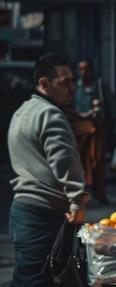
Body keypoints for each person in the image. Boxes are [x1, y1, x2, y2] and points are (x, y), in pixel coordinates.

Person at [7, 53, 90, 286]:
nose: (72, 88)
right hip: (43, 214)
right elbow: (65, 163)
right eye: (65, 83)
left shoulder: (23, 112)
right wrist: (78, 202)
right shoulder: (50, 115)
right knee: (36, 280)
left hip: (23, 210)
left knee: (30, 276)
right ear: (44, 83)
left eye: (72, 81)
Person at [71, 59, 116, 204]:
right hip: (79, 129)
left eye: (87, 69)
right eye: (81, 69)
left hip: (97, 129)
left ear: (92, 70)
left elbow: (113, 106)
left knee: (97, 162)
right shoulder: (75, 88)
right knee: (79, 162)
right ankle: (80, 194)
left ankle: (100, 194)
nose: (84, 72)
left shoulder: (99, 86)